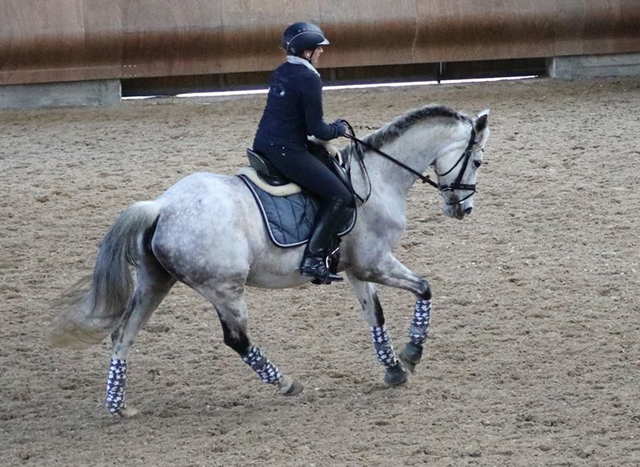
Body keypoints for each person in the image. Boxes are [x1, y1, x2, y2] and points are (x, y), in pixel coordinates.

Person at [253, 22, 353, 284]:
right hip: (286, 150)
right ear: (306, 52)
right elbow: (317, 129)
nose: (321, 53)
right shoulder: (309, 77)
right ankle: (314, 259)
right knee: (339, 194)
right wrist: (339, 128)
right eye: (318, 49)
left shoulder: (282, 71)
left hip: (264, 144)